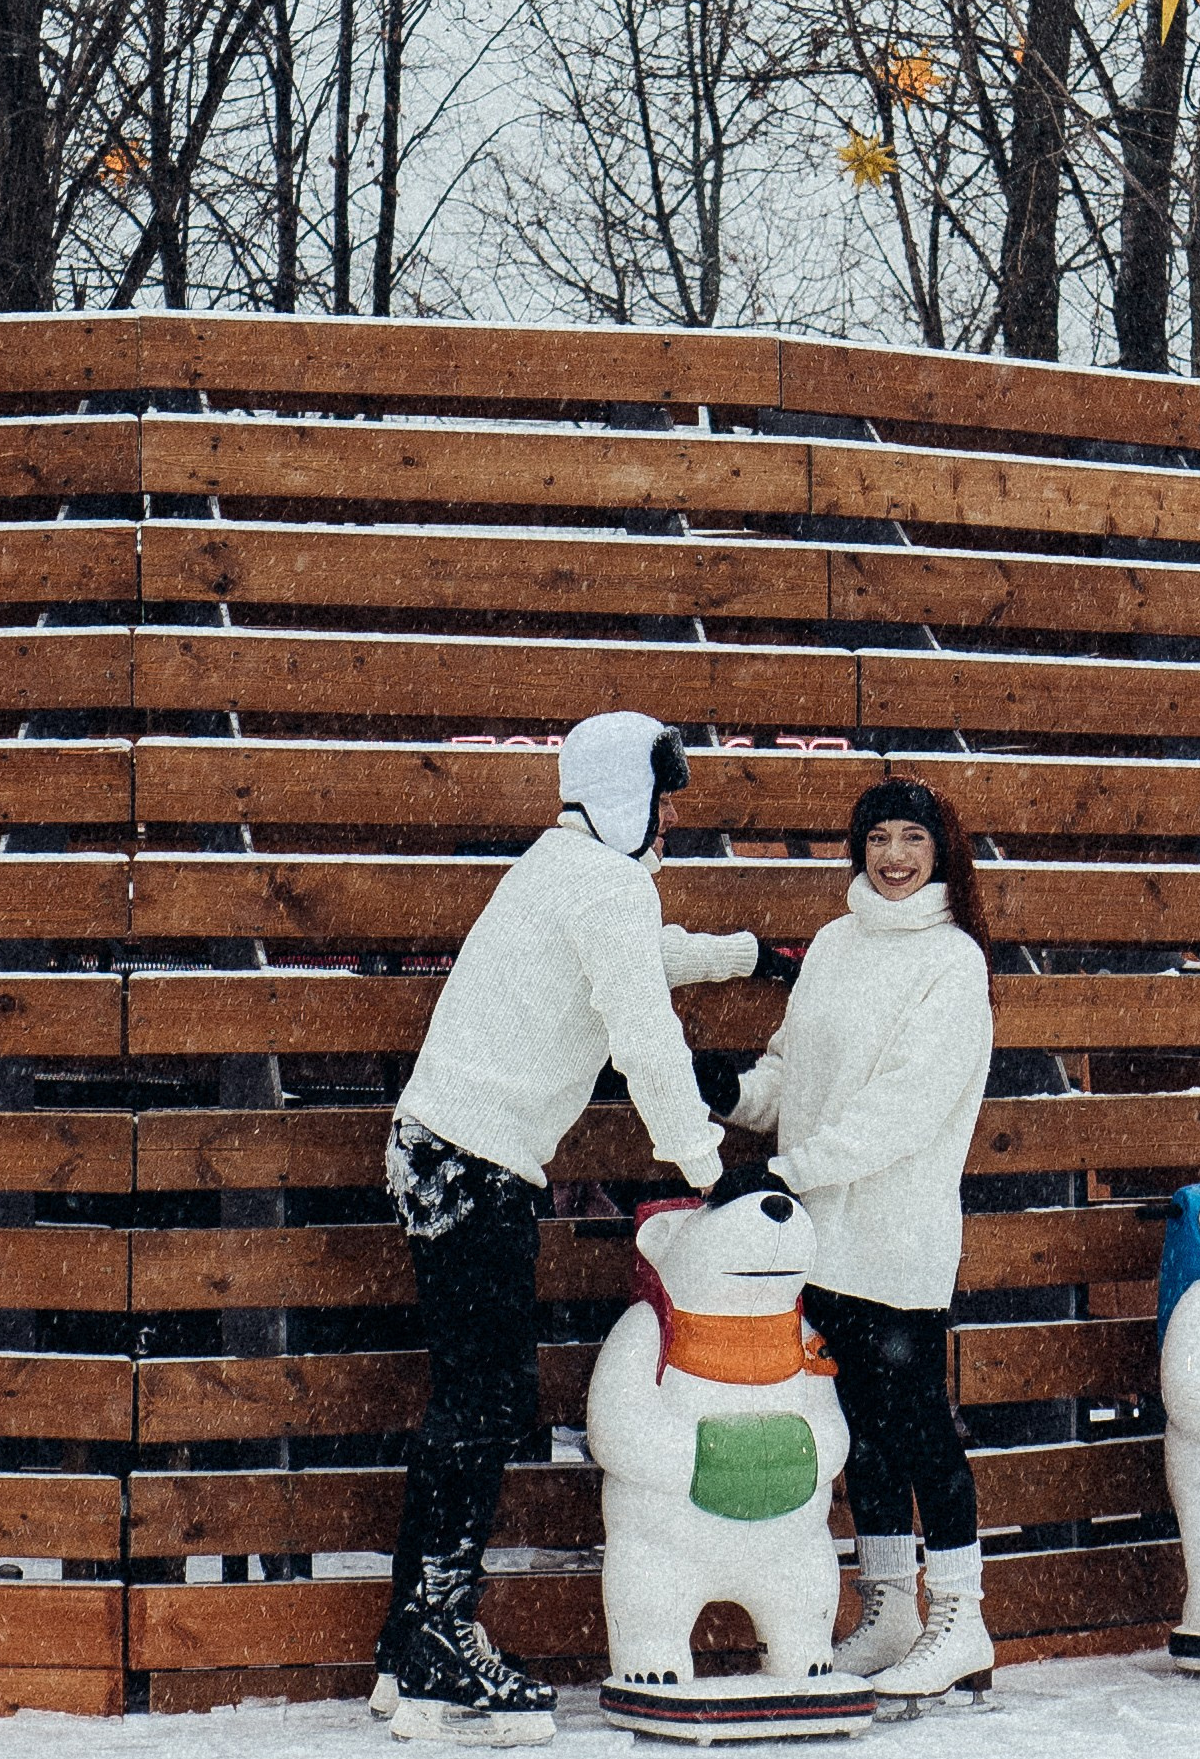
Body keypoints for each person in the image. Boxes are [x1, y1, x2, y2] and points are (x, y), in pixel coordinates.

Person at [374, 711, 762, 1743]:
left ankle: (411, 1641)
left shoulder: (562, 865)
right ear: (625, 794)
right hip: (476, 1162)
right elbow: (644, 1038)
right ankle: (438, 1643)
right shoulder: (605, 885)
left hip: (437, 1147)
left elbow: (629, 959)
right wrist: (709, 1167)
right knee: (488, 1401)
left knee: (468, 1396)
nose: (669, 819)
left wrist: (737, 956)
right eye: (662, 797)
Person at [711, 776, 996, 1704]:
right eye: (878, 838)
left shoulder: (952, 963)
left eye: (913, 837)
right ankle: (891, 1608)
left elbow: (900, 1110)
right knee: (863, 1433)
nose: (894, 856)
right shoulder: (835, 943)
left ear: (940, 850)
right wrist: (734, 1096)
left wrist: (791, 1169)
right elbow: (791, 1070)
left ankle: (960, 1616)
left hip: (896, 1238)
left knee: (917, 1427)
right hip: (822, 1242)